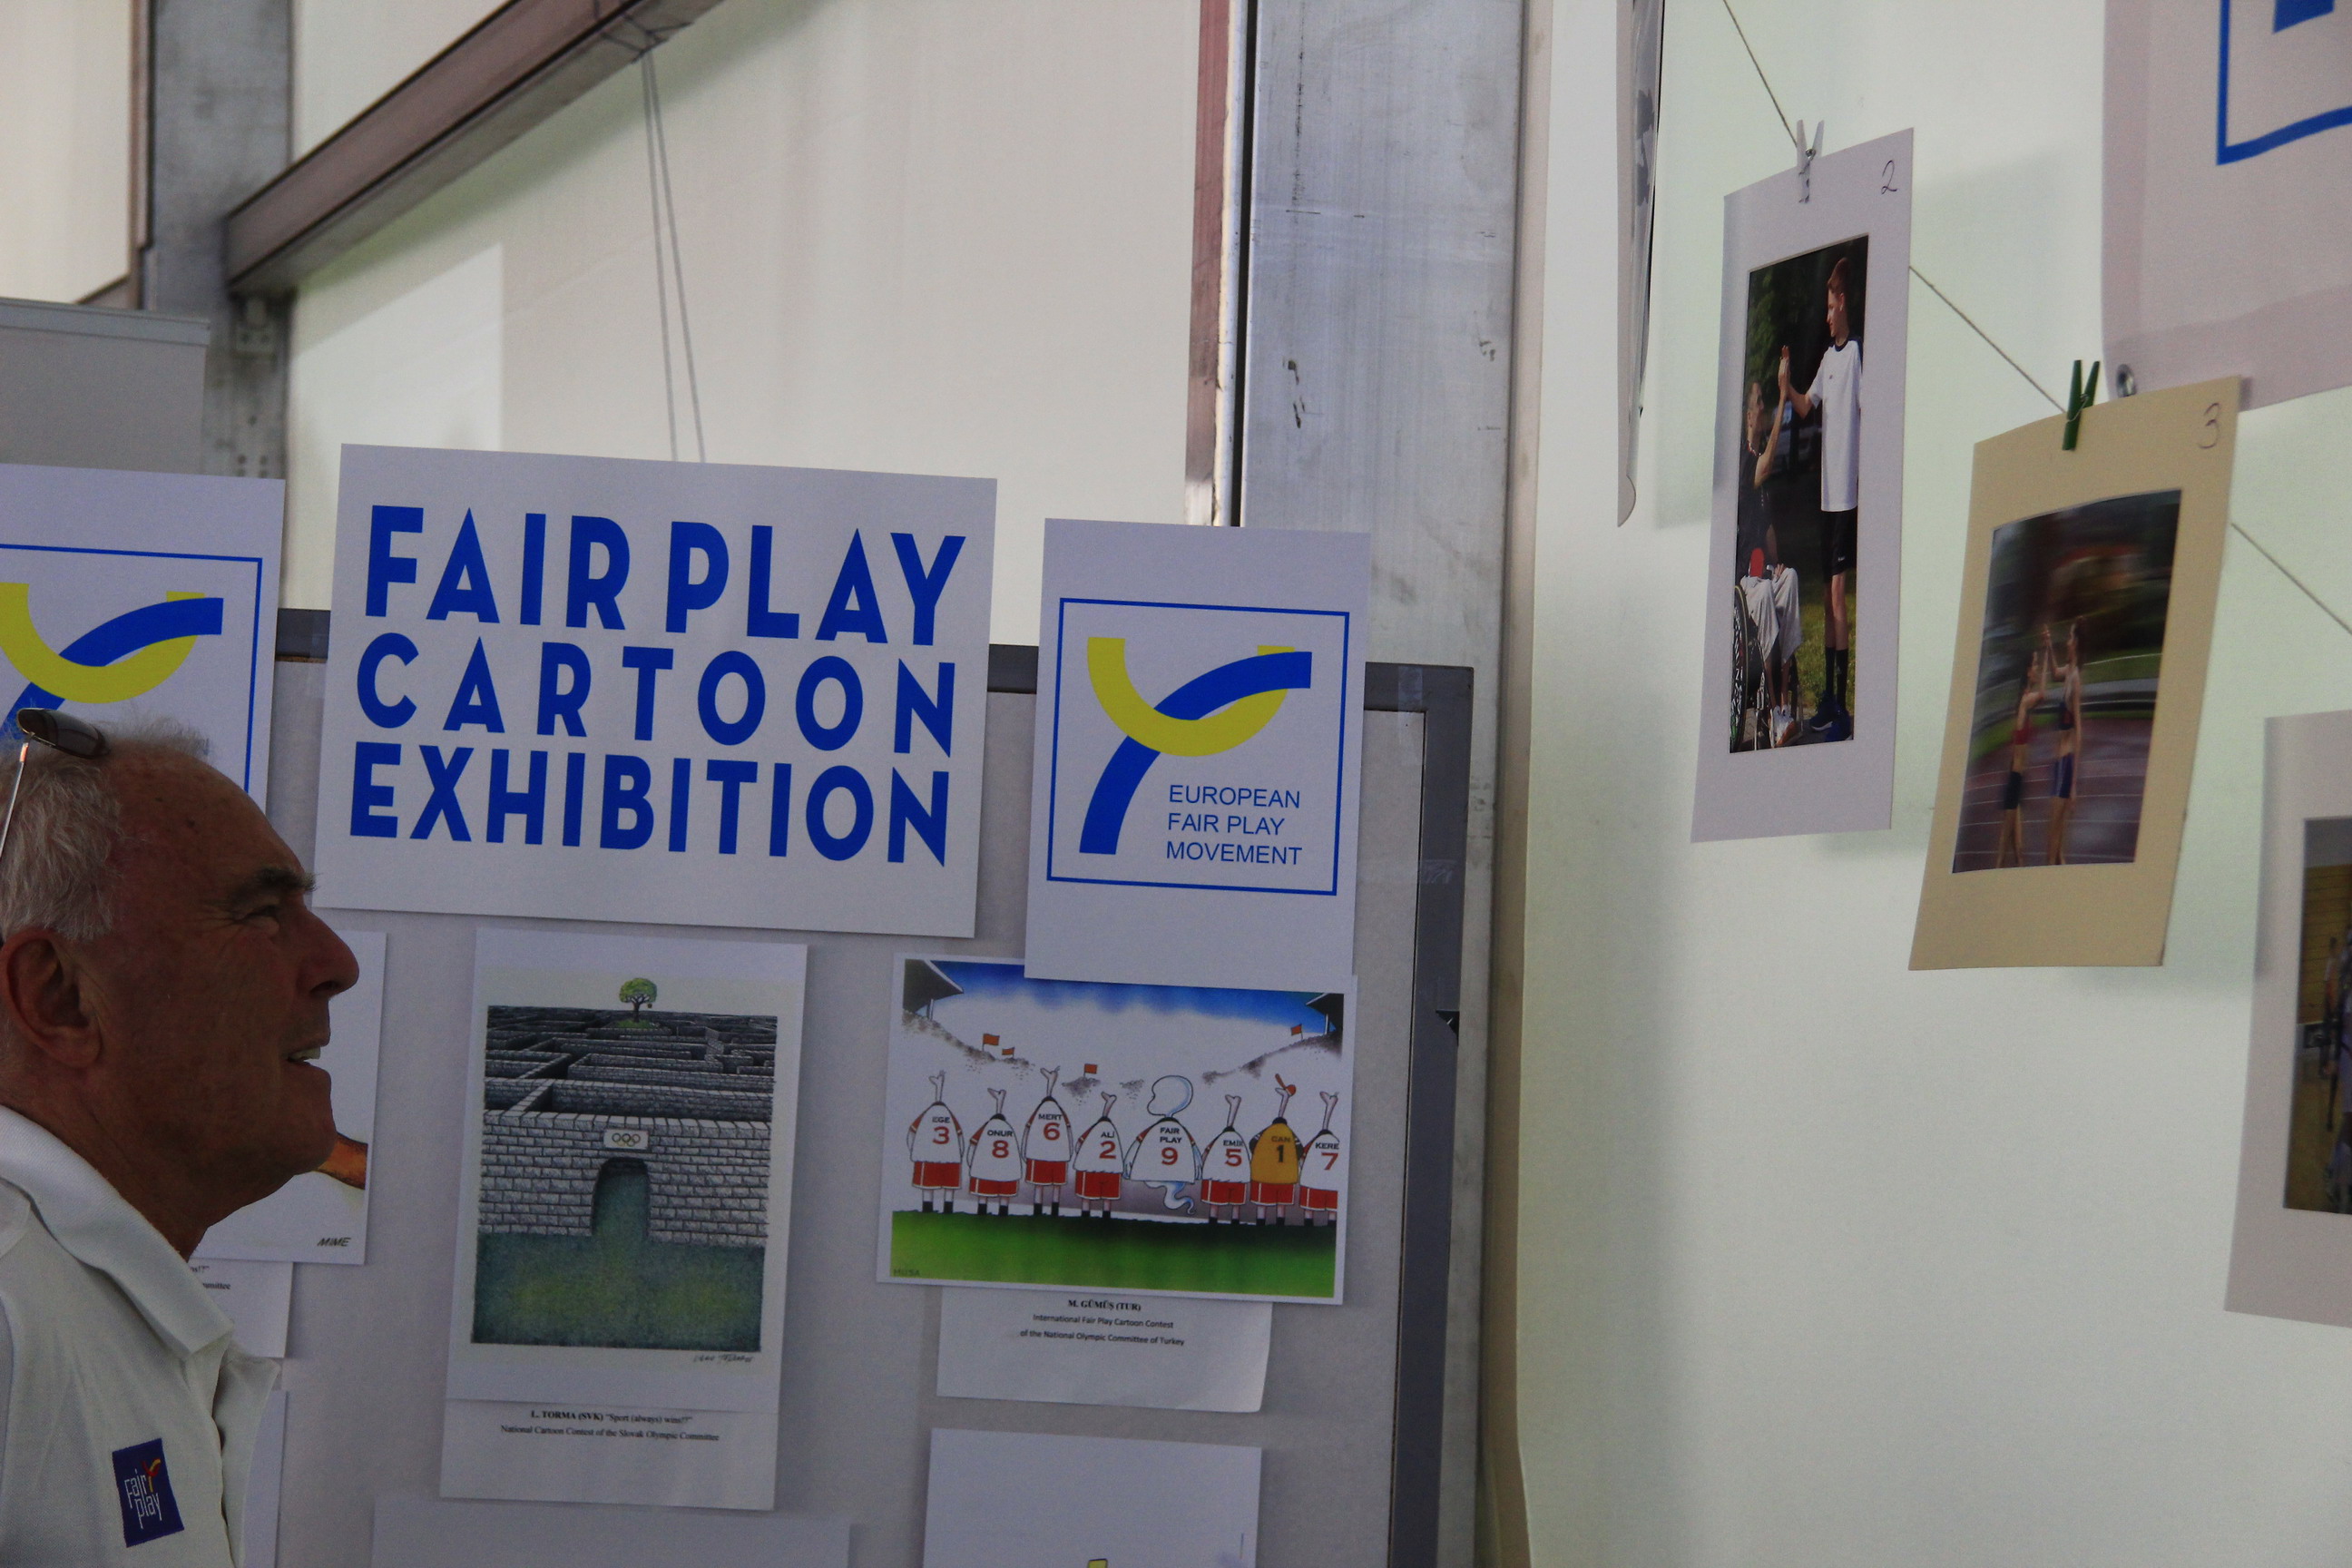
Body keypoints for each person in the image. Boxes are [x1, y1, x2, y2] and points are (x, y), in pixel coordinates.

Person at [0, 711, 358, 1563]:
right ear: (59, 997)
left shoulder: (74, 1298)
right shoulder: (12, 1309)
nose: (337, 964)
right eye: (260, 913)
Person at [1781, 254, 1863, 741]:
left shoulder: (1856, 355)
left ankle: (1843, 709)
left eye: (1830, 307)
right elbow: (1805, 406)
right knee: (1830, 600)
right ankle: (1831, 699)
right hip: (1826, 499)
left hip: (1847, 497)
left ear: (1843, 303)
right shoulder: (1829, 359)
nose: (1826, 316)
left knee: (1836, 596)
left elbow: (1871, 414)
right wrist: (1786, 382)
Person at [1737, 379, 1805, 747]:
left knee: (1789, 578)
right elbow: (1766, 463)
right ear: (1748, 416)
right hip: (1745, 582)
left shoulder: (1761, 485)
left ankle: (1783, 712)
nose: (1762, 408)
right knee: (1763, 592)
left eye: (1765, 400)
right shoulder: (1743, 462)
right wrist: (1782, 395)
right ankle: (1775, 714)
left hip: (1763, 574)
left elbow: (1768, 531)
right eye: (1759, 401)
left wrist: (1778, 564)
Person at [1993, 647, 2045, 869]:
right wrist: (2047, 655)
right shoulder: (2025, 700)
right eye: (2035, 664)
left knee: (2017, 849)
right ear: (2028, 670)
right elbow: (2042, 695)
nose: (2038, 668)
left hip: (2018, 779)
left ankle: (2014, 868)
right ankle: (1998, 871)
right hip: (2015, 779)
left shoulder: (2024, 702)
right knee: (2005, 845)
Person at [2044, 622, 2084, 865]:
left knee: (2053, 837)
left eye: (2070, 637)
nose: (2067, 641)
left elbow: (2079, 730)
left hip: (2065, 763)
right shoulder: (2068, 672)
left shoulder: (2075, 679)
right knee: (2057, 848)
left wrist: (2074, 786)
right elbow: (2053, 673)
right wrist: (2049, 646)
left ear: (2076, 643)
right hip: (2060, 762)